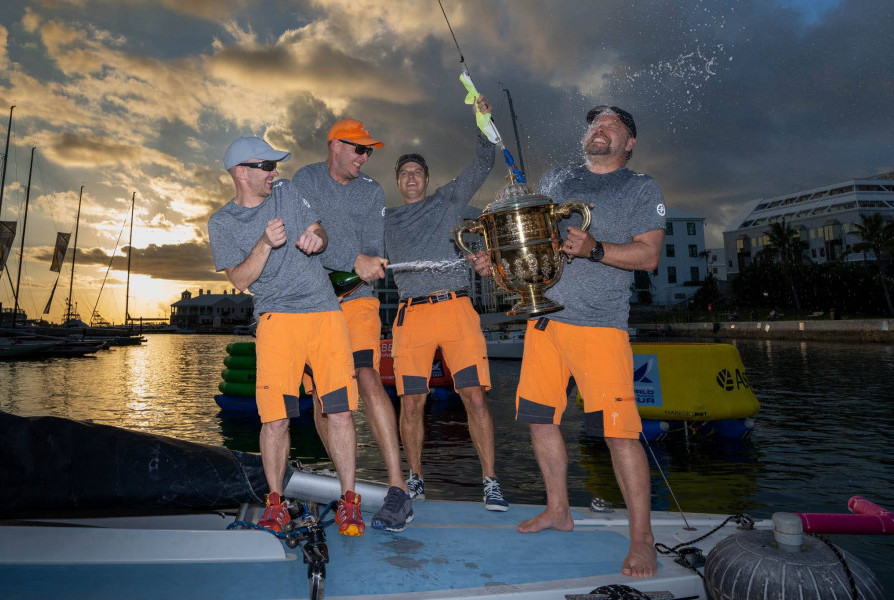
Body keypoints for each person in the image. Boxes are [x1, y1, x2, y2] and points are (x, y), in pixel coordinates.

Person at [471, 105, 664, 577]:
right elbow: (529, 236)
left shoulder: (640, 187)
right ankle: (559, 509)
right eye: (594, 124)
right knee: (539, 421)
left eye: (611, 126)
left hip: (600, 326)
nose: (599, 130)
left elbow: (650, 255)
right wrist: (497, 262)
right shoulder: (557, 178)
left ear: (629, 142)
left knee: (620, 434)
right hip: (545, 321)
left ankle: (643, 539)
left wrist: (595, 248)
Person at [208, 136, 365, 537]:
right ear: (242, 172)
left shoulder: (287, 192)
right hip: (277, 320)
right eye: (266, 166)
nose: (274, 173)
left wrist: (317, 240)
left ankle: (349, 502)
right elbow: (240, 280)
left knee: (341, 410)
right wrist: (264, 241)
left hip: (324, 312)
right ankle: (275, 505)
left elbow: (319, 233)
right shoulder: (222, 222)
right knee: (275, 420)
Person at [384, 95, 508, 512]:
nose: (412, 179)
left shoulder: (449, 201)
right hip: (412, 317)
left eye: (417, 172)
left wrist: (481, 120)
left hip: (456, 310)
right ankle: (414, 479)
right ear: (398, 183)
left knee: (474, 396)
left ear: (427, 178)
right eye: (404, 174)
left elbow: (482, 161)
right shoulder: (385, 221)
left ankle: (490, 481)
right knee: (412, 402)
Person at [291, 120, 414, 533]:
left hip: (358, 299)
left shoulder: (372, 191)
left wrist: (368, 264)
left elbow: (373, 249)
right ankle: (345, 485)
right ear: (335, 145)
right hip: (313, 305)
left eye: (368, 152)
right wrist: (352, 259)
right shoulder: (305, 179)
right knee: (324, 398)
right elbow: (305, 235)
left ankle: (398, 489)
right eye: (358, 150)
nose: (364, 158)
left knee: (365, 374)